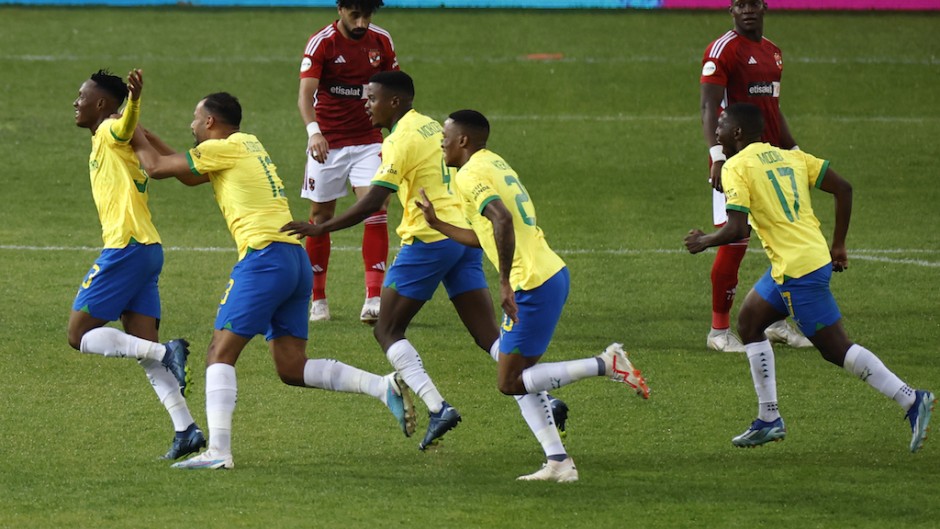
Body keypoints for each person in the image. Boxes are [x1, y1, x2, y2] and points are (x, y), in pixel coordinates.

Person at [131, 83, 416, 470]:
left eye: (196, 119)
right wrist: (142, 130)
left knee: (220, 352)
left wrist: (127, 129)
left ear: (210, 121)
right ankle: (380, 386)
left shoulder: (220, 148)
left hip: (263, 258)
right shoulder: (247, 143)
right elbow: (186, 171)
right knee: (291, 367)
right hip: (293, 259)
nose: (191, 124)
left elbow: (156, 168)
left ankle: (219, 452)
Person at [283, 71, 570, 451]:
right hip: (462, 238)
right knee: (488, 337)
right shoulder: (432, 126)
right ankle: (543, 398)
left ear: (395, 102)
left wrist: (323, 228)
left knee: (386, 329)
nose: (365, 104)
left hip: (429, 242)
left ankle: (438, 407)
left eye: (372, 98)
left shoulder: (399, 141)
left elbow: (373, 201)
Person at [414, 110, 651, 482]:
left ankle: (606, 364)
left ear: (463, 140)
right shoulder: (492, 163)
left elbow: (502, 219)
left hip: (532, 284)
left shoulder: (471, 174)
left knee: (510, 382)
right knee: (523, 378)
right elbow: (487, 233)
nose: (441, 142)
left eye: (445, 136)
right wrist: (438, 224)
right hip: (548, 273)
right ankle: (558, 462)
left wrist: (505, 282)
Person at [684, 103, 935, 452]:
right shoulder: (791, 158)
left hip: (797, 272)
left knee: (836, 350)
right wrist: (839, 245)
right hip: (807, 258)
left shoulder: (737, 167)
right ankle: (769, 418)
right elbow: (843, 188)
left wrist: (705, 241)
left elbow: (737, 227)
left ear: (738, 134)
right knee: (750, 322)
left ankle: (911, 399)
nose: (717, 132)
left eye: (722, 126)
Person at [69, 68, 204, 461]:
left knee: (79, 335)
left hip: (125, 249)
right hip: (146, 250)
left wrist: (134, 102)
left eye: (81, 96)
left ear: (101, 104)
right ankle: (187, 430)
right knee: (142, 349)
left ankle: (170, 353)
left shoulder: (112, 128)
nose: (75, 103)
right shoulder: (110, 137)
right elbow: (156, 154)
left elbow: (125, 124)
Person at [699, 0, 811, 352]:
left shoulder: (773, 53)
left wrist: (793, 153)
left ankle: (773, 321)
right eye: (739, 4)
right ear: (730, 9)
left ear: (764, 7)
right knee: (734, 242)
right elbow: (708, 107)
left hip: (771, 161)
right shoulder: (723, 50)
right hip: (734, 162)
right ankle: (719, 332)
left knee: (780, 239)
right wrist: (717, 157)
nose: (747, 10)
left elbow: (773, 111)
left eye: (753, 3)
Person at [298, 0, 397, 323]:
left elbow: (396, 92)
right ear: (340, 9)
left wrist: (397, 135)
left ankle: (373, 298)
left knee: (374, 208)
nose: (361, 22)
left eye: (367, 15)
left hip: (369, 141)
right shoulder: (322, 42)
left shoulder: (381, 41)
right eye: (355, 15)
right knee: (320, 216)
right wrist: (314, 133)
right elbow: (305, 95)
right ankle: (319, 299)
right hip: (328, 143)